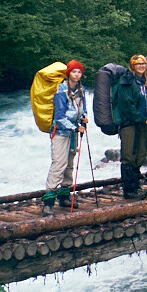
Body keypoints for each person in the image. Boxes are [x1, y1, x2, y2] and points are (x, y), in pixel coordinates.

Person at [112, 54, 147, 199]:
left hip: (144, 123)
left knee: (141, 153)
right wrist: (143, 119)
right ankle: (129, 189)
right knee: (128, 155)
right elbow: (127, 106)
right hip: (129, 123)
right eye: (138, 64)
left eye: (143, 64)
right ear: (132, 66)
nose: (141, 66)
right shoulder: (126, 81)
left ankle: (136, 185)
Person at [44, 60, 88, 205]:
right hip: (60, 133)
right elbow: (59, 117)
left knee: (69, 164)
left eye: (79, 72)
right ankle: (49, 201)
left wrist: (84, 118)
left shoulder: (81, 90)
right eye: (74, 72)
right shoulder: (60, 91)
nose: (77, 74)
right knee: (59, 164)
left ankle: (64, 196)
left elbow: (83, 109)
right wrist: (76, 128)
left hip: (73, 133)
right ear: (68, 73)